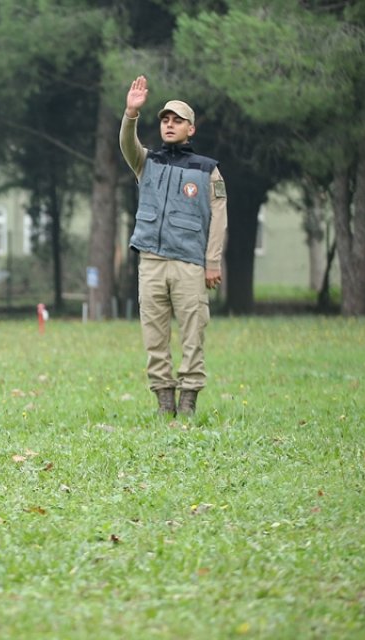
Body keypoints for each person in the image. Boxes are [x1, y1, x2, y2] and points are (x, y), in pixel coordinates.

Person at [120, 75, 227, 417]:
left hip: (189, 264)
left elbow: (219, 217)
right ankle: (164, 404)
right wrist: (131, 113)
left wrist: (212, 262)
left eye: (177, 120)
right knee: (154, 336)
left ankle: (189, 402)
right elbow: (126, 144)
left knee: (193, 334)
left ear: (190, 129)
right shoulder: (147, 162)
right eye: (165, 120)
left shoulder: (208, 170)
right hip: (151, 261)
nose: (169, 125)